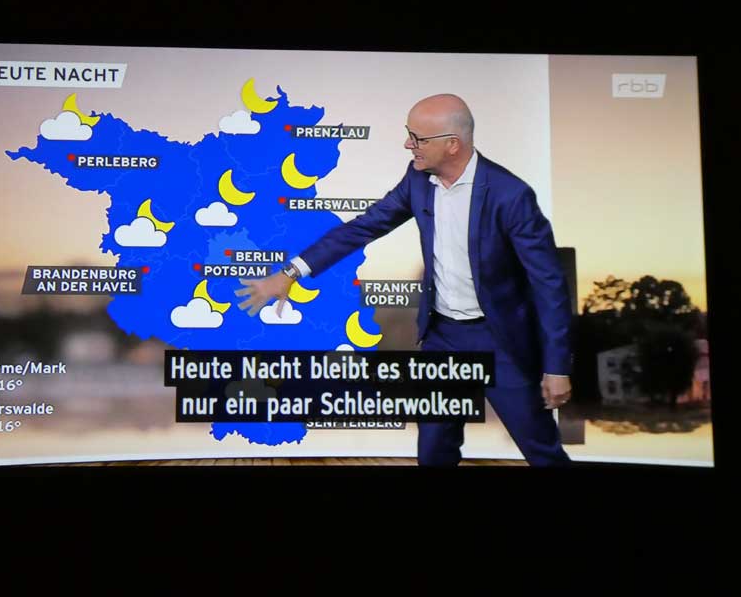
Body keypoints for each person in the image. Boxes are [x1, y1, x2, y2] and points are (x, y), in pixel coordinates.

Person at [235, 94, 573, 466]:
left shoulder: (510, 195)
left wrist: (557, 366)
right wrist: (290, 273)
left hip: (500, 339)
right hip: (443, 338)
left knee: (541, 450)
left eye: (418, 138)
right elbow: (362, 228)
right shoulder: (418, 180)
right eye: (408, 134)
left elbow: (548, 284)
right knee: (434, 451)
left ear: (452, 144)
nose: (408, 144)